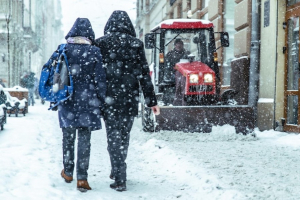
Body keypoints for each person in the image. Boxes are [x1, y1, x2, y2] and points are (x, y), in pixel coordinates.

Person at [95, 10, 160, 192]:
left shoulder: (100, 43)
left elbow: (96, 74)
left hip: (108, 100)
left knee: (113, 137)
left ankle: (119, 174)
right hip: (129, 99)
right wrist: (151, 101)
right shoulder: (136, 44)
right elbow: (144, 75)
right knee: (124, 137)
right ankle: (118, 169)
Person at [47, 18, 106, 192]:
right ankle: (82, 178)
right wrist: (101, 100)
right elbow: (100, 79)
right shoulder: (94, 51)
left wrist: (55, 96)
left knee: (68, 138)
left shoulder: (64, 49)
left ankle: (68, 171)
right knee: (85, 140)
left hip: (67, 99)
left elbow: (55, 75)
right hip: (89, 102)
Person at [162, 38, 190, 105]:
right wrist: (173, 69)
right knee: (179, 79)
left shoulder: (187, 54)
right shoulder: (170, 54)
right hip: (173, 74)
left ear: (183, 45)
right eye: (177, 44)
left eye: (180, 44)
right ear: (175, 45)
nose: (179, 45)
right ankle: (179, 98)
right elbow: (166, 66)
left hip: (186, 74)